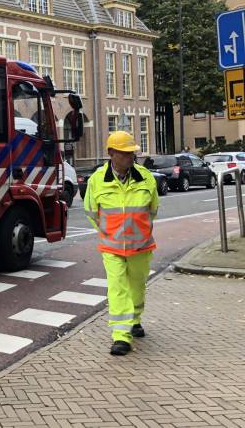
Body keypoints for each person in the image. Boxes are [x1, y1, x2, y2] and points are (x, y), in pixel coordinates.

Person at [84, 131, 159, 356]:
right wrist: (110, 231)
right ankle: (120, 336)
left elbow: (153, 209)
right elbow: (91, 211)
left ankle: (134, 320)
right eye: (125, 153)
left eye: (132, 153)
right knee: (117, 287)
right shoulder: (96, 180)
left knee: (136, 286)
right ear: (111, 153)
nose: (130, 157)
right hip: (112, 246)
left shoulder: (146, 177)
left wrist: (138, 230)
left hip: (141, 245)